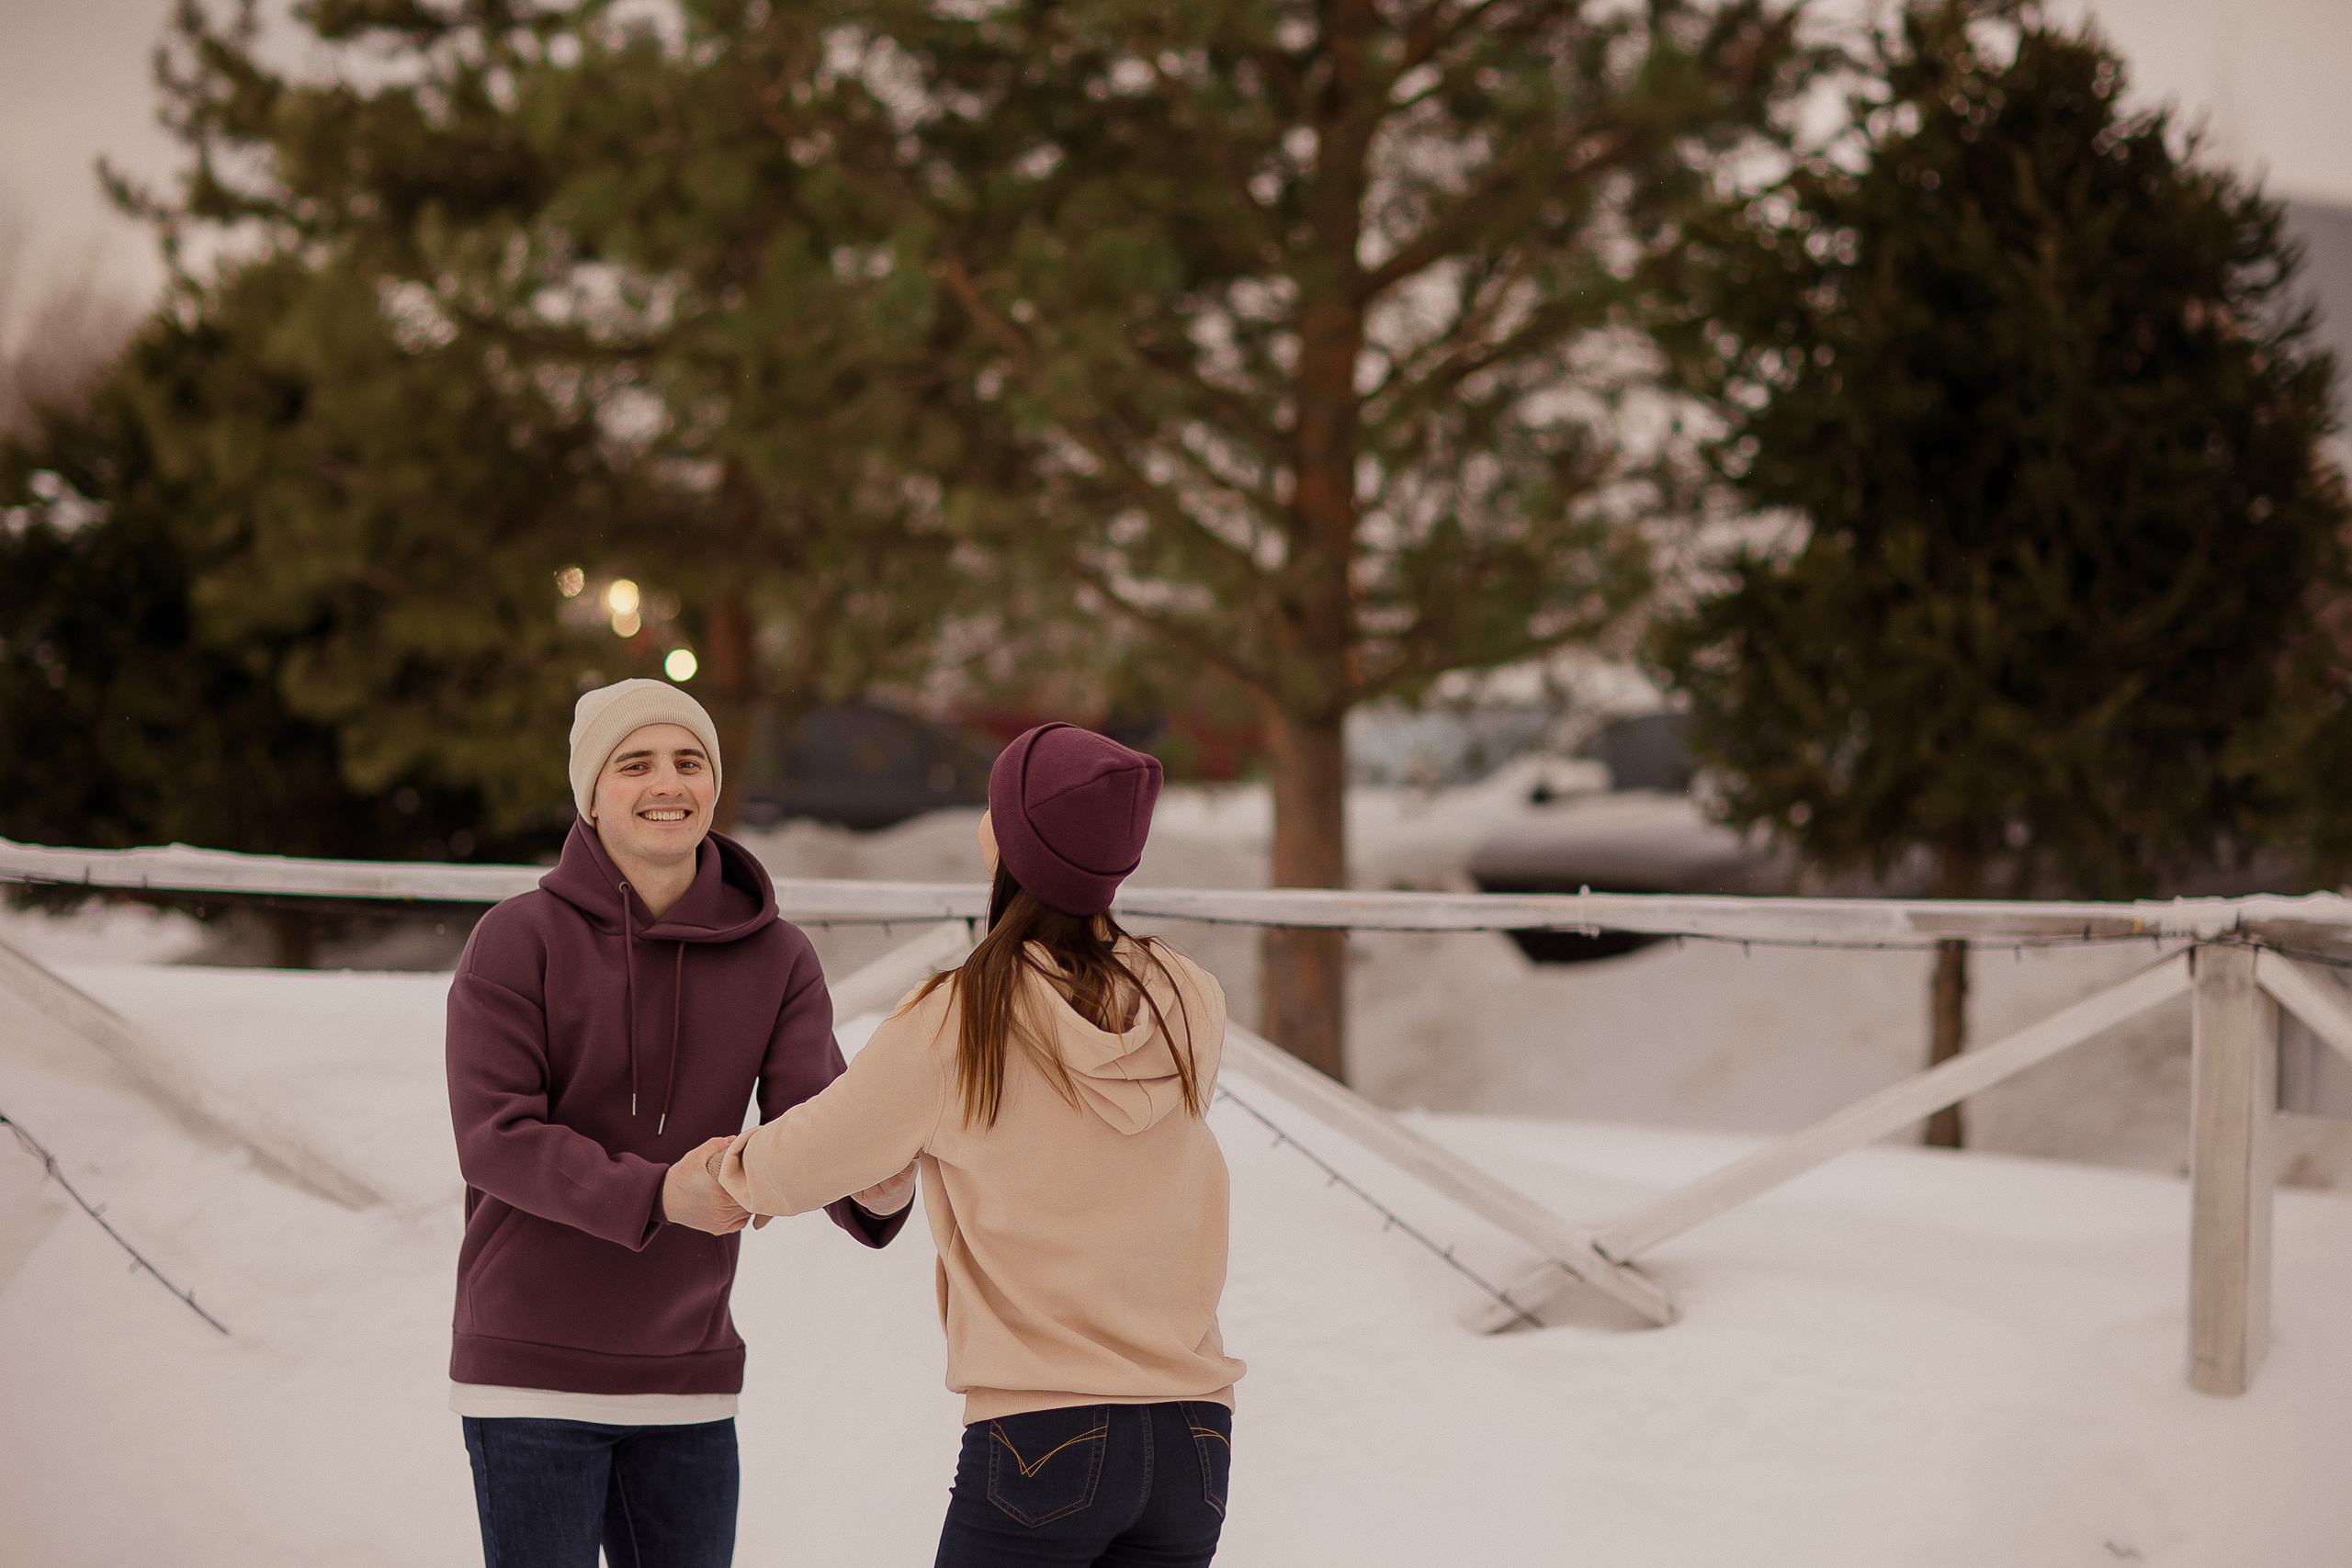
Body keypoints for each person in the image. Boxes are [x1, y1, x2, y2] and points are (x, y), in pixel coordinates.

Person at [695, 721, 1243, 1568]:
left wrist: (720, 1170)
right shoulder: (1190, 997)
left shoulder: (964, 1016)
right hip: (1193, 1438)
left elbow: (811, 1154)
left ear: (1014, 842)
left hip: (1046, 1433)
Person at [444, 677, 915, 1568]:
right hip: (531, 1374)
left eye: (689, 761)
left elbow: (816, 1120)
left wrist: (873, 1187)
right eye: (635, 764)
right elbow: (495, 1139)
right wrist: (661, 1193)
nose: (668, 783)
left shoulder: (777, 955)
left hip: (687, 1379)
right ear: (591, 794)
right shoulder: (515, 940)